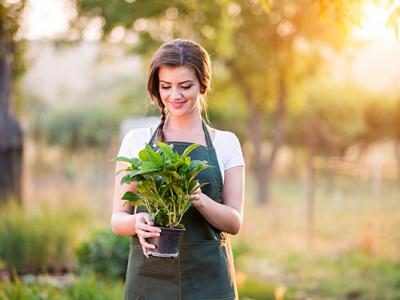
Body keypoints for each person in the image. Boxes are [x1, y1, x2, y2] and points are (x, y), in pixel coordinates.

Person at [111, 38, 245, 300]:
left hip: (209, 277)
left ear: (203, 85)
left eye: (185, 86)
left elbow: (234, 221)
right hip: (150, 277)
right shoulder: (137, 141)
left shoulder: (226, 143)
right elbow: (118, 218)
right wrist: (136, 223)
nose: (175, 95)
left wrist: (198, 198)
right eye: (166, 86)